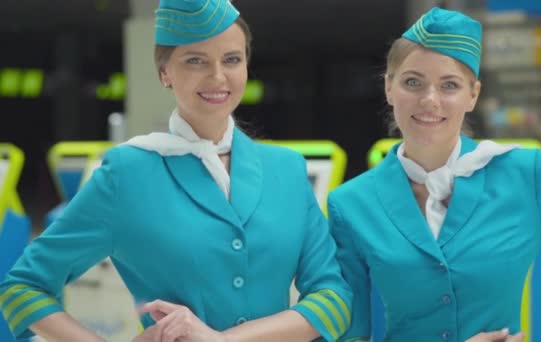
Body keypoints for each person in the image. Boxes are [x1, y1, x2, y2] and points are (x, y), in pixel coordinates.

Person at [0, 0, 352, 341]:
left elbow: (333, 298)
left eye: (232, 59)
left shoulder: (287, 170)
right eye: (195, 61)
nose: (217, 76)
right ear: (164, 72)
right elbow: (22, 287)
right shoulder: (128, 174)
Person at [327, 7, 541, 342]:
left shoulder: (522, 176)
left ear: (472, 95)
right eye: (413, 82)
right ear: (389, 88)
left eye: (449, 85)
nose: (429, 100)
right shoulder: (351, 204)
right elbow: (349, 335)